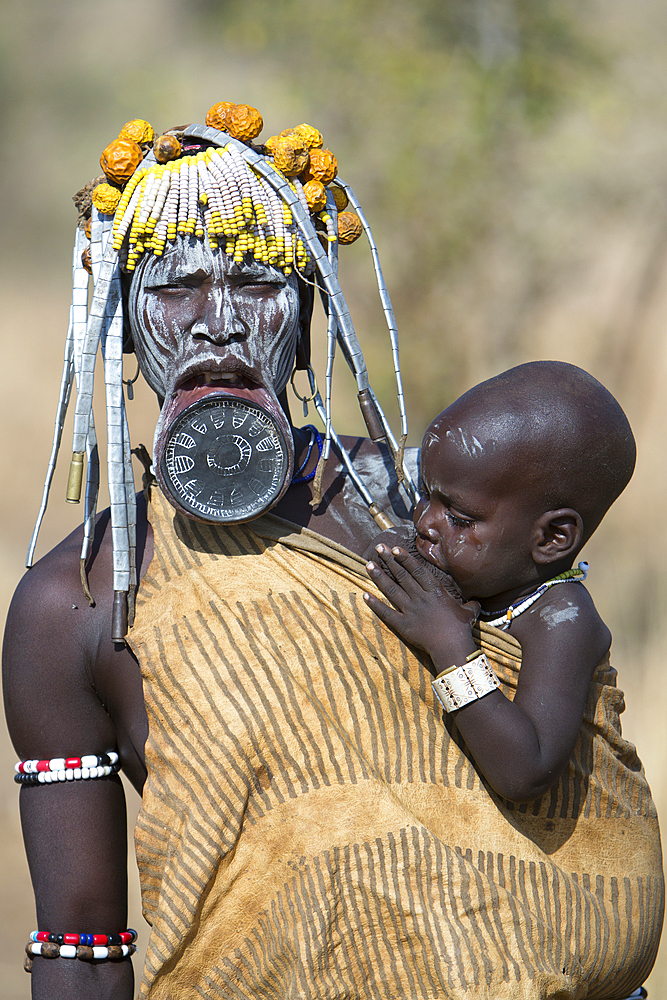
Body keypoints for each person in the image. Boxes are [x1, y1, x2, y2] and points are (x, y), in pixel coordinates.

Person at [2, 100, 661, 999]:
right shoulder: (72, 602)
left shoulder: (418, 507)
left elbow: (548, 719)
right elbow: (79, 943)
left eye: (258, 285)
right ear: (119, 321)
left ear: (307, 310)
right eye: (172, 289)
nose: (217, 323)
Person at [364, 360, 664, 995]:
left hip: (567, 930)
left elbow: (525, 769)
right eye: (427, 495)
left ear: (553, 538)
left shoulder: (561, 618)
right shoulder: (472, 576)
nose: (426, 522)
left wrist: (450, 646)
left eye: (461, 517)